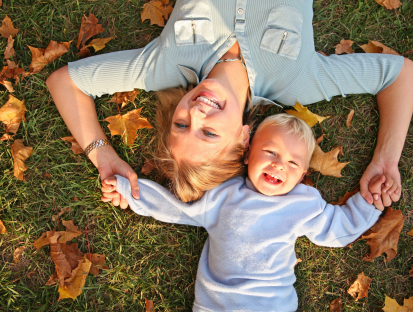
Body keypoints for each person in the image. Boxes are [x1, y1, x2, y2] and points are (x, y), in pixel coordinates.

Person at [47, 0, 413, 203]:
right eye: (208, 133)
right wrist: (387, 159)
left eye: (181, 124)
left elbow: (65, 82)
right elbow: (399, 74)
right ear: (244, 139)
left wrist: (103, 155)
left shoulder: (164, 67)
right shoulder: (298, 83)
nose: (196, 112)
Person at [101, 114, 392, 310]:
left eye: (292, 163)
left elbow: (337, 229)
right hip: (217, 304)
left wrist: (369, 202)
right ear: (249, 152)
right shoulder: (222, 195)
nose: (279, 165)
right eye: (271, 152)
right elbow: (177, 209)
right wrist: (130, 191)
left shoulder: (303, 203)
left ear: (303, 174)